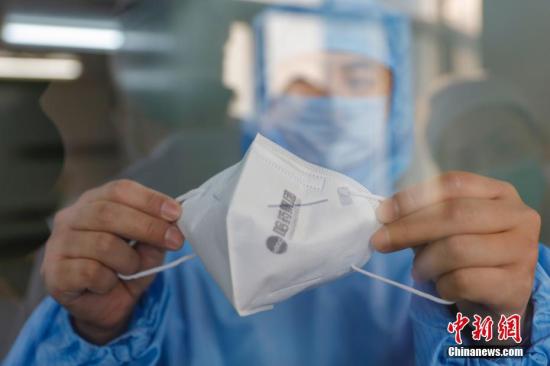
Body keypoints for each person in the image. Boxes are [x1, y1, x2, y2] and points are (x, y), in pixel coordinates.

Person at [4, 3, 550, 365]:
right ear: (263, 98)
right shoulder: (182, 250)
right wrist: (97, 334)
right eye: (302, 80)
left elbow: (496, 353)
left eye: (357, 77)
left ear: (396, 102)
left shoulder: (453, 253)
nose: (330, 105)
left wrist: (502, 325)